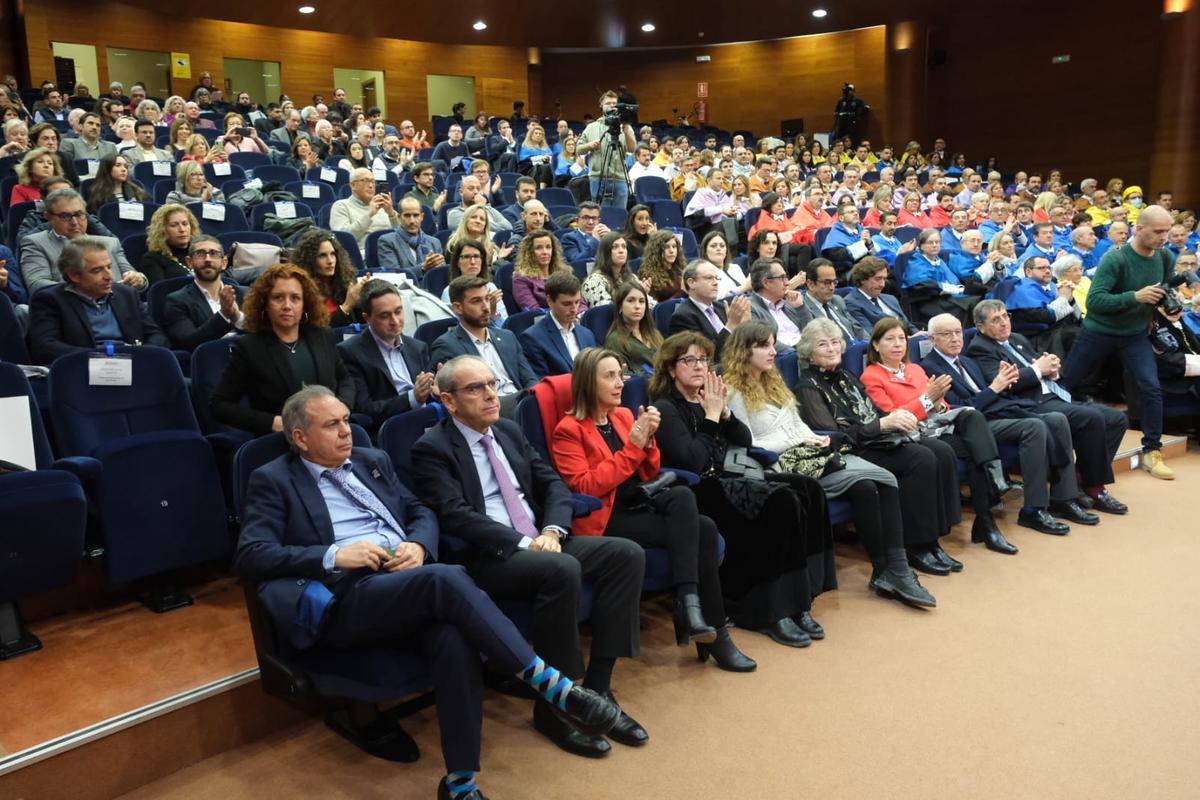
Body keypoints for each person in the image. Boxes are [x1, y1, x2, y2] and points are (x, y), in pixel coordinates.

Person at [239, 385, 620, 799]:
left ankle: (459, 782)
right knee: (446, 577)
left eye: (347, 420)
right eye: (331, 425)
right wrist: (333, 555)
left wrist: (418, 544)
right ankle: (553, 686)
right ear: (300, 438)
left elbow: (419, 510)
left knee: (452, 640)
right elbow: (253, 554)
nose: (347, 431)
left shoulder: (372, 461)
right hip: (344, 596)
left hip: (403, 582)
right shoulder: (273, 479)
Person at [412, 355, 647, 757]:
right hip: (491, 555)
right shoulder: (431, 448)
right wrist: (526, 543)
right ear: (449, 402)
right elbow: (456, 516)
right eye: (475, 389)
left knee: (625, 554)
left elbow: (552, 484)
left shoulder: (507, 430)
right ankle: (556, 706)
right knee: (561, 569)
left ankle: (597, 688)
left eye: (490, 384)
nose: (490, 395)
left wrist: (554, 530)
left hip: (544, 539)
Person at [553, 347, 755, 671]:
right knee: (703, 531)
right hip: (607, 517)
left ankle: (690, 606)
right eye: (610, 376)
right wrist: (634, 447)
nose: (620, 383)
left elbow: (649, 473)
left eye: (620, 374)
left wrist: (648, 444)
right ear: (588, 384)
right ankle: (711, 631)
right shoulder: (569, 430)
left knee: (688, 505)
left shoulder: (621, 416)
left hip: (638, 501)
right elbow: (586, 487)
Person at [723, 320, 935, 604]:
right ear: (743, 351)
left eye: (773, 344)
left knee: (879, 483)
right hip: (780, 463)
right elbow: (747, 441)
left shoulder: (773, 381)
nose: (773, 351)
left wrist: (814, 437)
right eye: (764, 346)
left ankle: (892, 569)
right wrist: (798, 441)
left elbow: (797, 424)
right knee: (871, 482)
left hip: (810, 453)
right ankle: (891, 570)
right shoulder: (733, 390)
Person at [650, 331, 837, 645]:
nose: (698, 366)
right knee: (782, 502)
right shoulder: (666, 408)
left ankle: (802, 599)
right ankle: (771, 612)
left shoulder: (707, 397)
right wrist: (711, 416)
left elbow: (744, 441)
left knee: (808, 489)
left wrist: (723, 412)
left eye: (703, 360)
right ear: (671, 369)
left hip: (735, 476)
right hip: (701, 489)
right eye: (688, 361)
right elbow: (692, 462)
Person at [793, 318, 965, 581]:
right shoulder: (807, 387)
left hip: (876, 439)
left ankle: (931, 541)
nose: (831, 349)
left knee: (937, 451)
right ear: (809, 352)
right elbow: (838, 438)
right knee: (920, 458)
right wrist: (884, 424)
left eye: (835, 342)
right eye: (822, 344)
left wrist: (896, 418)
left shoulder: (847, 376)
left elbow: (875, 412)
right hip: (853, 450)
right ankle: (916, 544)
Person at [861, 317, 1027, 557]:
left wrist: (937, 404)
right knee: (970, 448)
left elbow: (944, 408)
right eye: (890, 339)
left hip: (935, 425)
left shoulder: (915, 369)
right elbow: (892, 416)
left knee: (971, 420)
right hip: (910, 433)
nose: (898, 344)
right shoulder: (872, 376)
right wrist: (927, 400)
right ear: (876, 345)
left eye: (901, 339)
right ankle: (990, 502)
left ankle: (986, 518)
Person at [920, 313, 1096, 539]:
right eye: (946, 334)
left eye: (957, 332)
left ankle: (1064, 497)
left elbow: (992, 393)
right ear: (932, 340)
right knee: (1034, 426)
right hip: (973, 427)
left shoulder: (968, 362)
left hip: (996, 413)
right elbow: (959, 410)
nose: (955, 338)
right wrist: (995, 388)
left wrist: (1004, 383)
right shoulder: (930, 368)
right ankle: (1033, 509)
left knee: (1056, 419)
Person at [967, 299, 1129, 514]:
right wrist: (1037, 369)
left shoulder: (1016, 338)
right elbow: (1005, 384)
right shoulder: (980, 348)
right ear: (981, 327)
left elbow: (1038, 366)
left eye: (1006, 316)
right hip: (1030, 403)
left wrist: (1052, 369)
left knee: (1117, 419)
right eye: (996, 320)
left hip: (1054, 395)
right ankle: (1094, 487)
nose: (1004, 323)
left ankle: (1081, 477)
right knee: (1090, 417)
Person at [1060, 205, 1176, 480]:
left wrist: (1169, 306)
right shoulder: (1115, 259)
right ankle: (1053, 442)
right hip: (1098, 331)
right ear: (1139, 229)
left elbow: (1164, 290)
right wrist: (1134, 297)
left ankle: (1152, 450)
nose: (1163, 237)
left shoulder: (1166, 257)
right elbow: (1096, 301)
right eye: (1158, 231)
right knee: (1066, 383)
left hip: (1135, 334)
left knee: (1151, 388)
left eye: (1167, 231)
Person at [210, 263, 355, 435]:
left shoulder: (322, 335)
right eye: (278, 297)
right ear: (265, 304)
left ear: (305, 304)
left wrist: (343, 406)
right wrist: (273, 423)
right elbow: (219, 405)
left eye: (295, 298)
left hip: (332, 433)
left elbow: (345, 379)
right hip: (283, 442)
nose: (287, 305)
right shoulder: (249, 348)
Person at [28, 236, 169, 364]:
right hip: (84, 368)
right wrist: (101, 357)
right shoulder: (50, 300)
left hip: (133, 363)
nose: (109, 276)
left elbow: (156, 335)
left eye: (109, 267)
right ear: (74, 275)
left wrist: (140, 354)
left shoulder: (127, 294)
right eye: (97, 270)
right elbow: (45, 347)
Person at [430, 277, 538, 417]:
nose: (486, 307)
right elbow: (462, 398)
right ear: (458, 307)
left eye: (487, 299)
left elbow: (529, 379)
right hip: (489, 411)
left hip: (523, 405)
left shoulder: (507, 336)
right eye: (477, 301)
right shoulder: (447, 345)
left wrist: (534, 401)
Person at [336, 279, 435, 428]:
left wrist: (437, 390)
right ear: (367, 318)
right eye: (384, 316)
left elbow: (428, 395)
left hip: (428, 425)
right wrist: (412, 398)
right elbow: (363, 409)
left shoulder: (417, 347)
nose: (395, 321)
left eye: (398, 311)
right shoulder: (349, 352)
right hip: (390, 430)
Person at [20, 188, 145, 293]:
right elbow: (36, 284)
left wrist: (139, 279)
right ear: (48, 217)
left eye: (79, 214)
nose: (74, 222)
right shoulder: (36, 243)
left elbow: (132, 276)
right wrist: (88, 289)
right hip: (69, 311)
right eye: (65, 216)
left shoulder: (110, 243)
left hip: (117, 308)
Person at [162, 236, 248, 350]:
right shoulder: (177, 301)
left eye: (213, 253)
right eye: (200, 253)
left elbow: (266, 332)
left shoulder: (246, 294)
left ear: (224, 262)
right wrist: (223, 315)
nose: (207, 259)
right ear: (189, 262)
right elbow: (188, 341)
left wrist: (237, 317)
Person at [668, 260, 751, 359]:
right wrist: (731, 325)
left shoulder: (721, 307)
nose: (716, 283)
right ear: (691, 283)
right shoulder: (682, 317)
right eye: (709, 278)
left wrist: (744, 327)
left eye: (717, 278)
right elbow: (706, 356)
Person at [519, 272, 596, 376]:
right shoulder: (532, 338)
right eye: (567, 304)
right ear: (549, 300)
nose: (574, 309)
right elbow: (542, 384)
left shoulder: (587, 334)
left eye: (577, 302)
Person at [1005, 254, 1082, 358]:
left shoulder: (1053, 286)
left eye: (1049, 268)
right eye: (1041, 268)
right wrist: (1063, 299)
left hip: (1061, 331)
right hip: (1040, 338)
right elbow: (1045, 316)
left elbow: (1077, 317)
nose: (1047, 271)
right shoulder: (1022, 289)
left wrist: (1070, 299)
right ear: (1028, 272)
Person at [575, 90, 636, 208]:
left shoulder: (626, 126)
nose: (612, 106)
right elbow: (578, 149)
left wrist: (627, 129)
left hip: (620, 178)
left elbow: (632, 149)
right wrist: (589, 146)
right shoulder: (591, 127)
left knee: (619, 215)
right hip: (598, 177)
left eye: (614, 103)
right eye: (608, 103)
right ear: (601, 106)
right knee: (599, 214)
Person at [292, 229, 363, 328]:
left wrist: (364, 299)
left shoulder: (344, 282)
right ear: (309, 260)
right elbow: (318, 330)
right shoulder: (301, 289)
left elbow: (361, 321)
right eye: (322, 255)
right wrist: (346, 306)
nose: (330, 261)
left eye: (333, 254)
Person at [330, 167, 399, 256]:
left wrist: (391, 213)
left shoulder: (384, 207)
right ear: (353, 185)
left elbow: (403, 234)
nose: (371, 186)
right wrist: (369, 215)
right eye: (365, 181)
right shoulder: (341, 206)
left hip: (392, 253)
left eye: (373, 181)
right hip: (363, 255)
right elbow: (343, 239)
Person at [746, 257, 812, 350]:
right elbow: (765, 343)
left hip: (808, 352)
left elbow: (812, 331)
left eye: (786, 277)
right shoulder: (750, 308)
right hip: (786, 358)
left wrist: (800, 307)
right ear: (766, 283)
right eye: (782, 278)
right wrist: (801, 352)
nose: (787, 283)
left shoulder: (790, 302)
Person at [844, 256, 917, 335]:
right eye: (878, 279)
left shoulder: (891, 299)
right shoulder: (851, 302)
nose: (882, 284)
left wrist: (919, 334)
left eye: (884, 279)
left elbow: (908, 325)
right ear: (863, 279)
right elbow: (869, 334)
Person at [605, 282, 662, 377]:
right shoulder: (615, 340)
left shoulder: (655, 334)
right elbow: (624, 376)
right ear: (620, 307)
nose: (637, 306)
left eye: (641, 301)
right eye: (631, 301)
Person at [512, 230, 576, 312]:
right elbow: (533, 311)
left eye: (548, 247)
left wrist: (581, 314)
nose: (545, 252)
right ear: (529, 252)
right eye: (539, 248)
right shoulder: (521, 278)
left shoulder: (564, 272)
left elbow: (580, 301)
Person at [377, 197, 444, 274]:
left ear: (422, 217)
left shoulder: (434, 243)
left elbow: (441, 274)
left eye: (415, 215)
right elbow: (393, 276)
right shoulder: (387, 241)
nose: (412, 221)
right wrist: (422, 268)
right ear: (399, 217)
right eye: (407, 215)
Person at [140, 203, 202, 284]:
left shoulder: (201, 253)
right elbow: (160, 291)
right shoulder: (152, 258)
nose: (182, 229)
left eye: (185, 224)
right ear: (162, 230)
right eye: (174, 225)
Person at [581, 231, 641, 308]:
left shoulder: (632, 278)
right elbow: (608, 311)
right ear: (605, 253)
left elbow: (652, 306)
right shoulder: (594, 281)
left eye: (624, 246)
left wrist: (643, 295)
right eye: (615, 247)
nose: (621, 251)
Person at [637, 230, 685, 302]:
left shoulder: (681, 269)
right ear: (657, 250)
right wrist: (683, 291)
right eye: (666, 247)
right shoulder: (648, 274)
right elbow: (655, 307)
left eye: (674, 247)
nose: (671, 251)